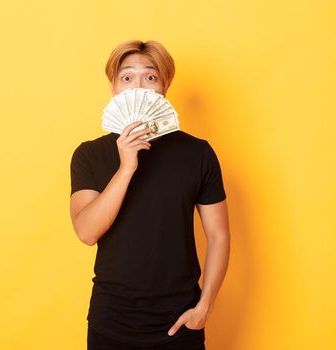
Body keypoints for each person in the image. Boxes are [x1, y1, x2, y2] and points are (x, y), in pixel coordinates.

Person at [69, 39, 230, 349]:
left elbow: (219, 235)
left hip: (181, 319)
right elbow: (87, 232)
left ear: (164, 87)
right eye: (127, 78)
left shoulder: (197, 153)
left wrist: (204, 307)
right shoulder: (89, 155)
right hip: (111, 319)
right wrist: (126, 167)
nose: (138, 87)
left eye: (150, 77)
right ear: (113, 88)